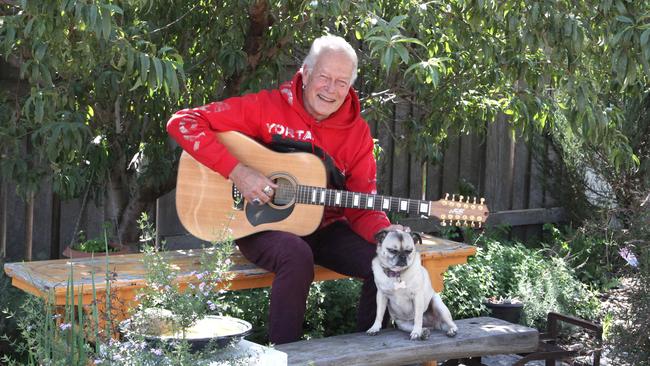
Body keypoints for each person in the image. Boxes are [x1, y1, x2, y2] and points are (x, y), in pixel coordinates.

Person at [166, 35, 407, 344]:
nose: (331, 89)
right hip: (260, 222)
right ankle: (285, 354)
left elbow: (362, 205)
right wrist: (238, 172)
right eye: (324, 77)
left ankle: (371, 354)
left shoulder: (357, 133)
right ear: (305, 73)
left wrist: (385, 234)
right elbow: (183, 122)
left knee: (387, 263)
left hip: (325, 227)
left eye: (341, 82)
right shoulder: (266, 107)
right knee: (295, 254)